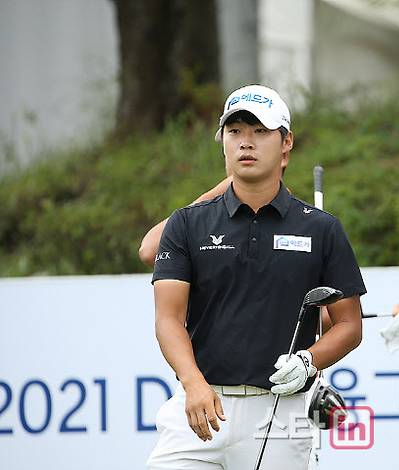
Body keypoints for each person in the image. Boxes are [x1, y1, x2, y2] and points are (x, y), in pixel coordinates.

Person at [145, 84, 366, 470]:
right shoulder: (187, 223)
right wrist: (192, 382)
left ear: (286, 143)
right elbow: (168, 319)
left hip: (280, 412)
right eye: (235, 131)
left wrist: (309, 361)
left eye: (260, 131)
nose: (246, 142)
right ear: (223, 143)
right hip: (199, 404)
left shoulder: (321, 229)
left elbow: (349, 325)